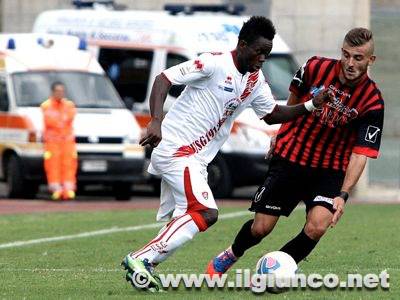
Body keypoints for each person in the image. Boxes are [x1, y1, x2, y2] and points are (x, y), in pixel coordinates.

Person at [121, 16, 332, 291]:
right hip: (176, 148)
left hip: (197, 158)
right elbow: (163, 79)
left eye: (266, 54)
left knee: (188, 219)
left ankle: (145, 267)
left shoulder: (255, 81)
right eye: (259, 52)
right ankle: (139, 258)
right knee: (206, 212)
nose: (262, 58)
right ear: (242, 45)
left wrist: (310, 105)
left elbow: (271, 115)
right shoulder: (213, 63)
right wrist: (156, 120)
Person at [206, 27, 384, 276]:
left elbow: (360, 153)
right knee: (261, 228)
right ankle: (231, 254)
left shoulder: (373, 101)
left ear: (370, 60)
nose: (350, 63)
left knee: (318, 226)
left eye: (358, 58)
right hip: (291, 157)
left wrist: (343, 194)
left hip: (330, 170)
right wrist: (280, 133)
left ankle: (278, 269)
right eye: (346, 55)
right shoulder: (314, 67)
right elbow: (292, 102)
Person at [41, 82, 77, 201]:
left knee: (69, 164)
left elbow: (69, 120)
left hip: (67, 142)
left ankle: (69, 190)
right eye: (58, 91)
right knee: (53, 165)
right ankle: (56, 190)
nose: (60, 93)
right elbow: (50, 122)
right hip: (52, 143)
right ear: (53, 92)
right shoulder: (46, 106)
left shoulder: (69, 105)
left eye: (62, 91)